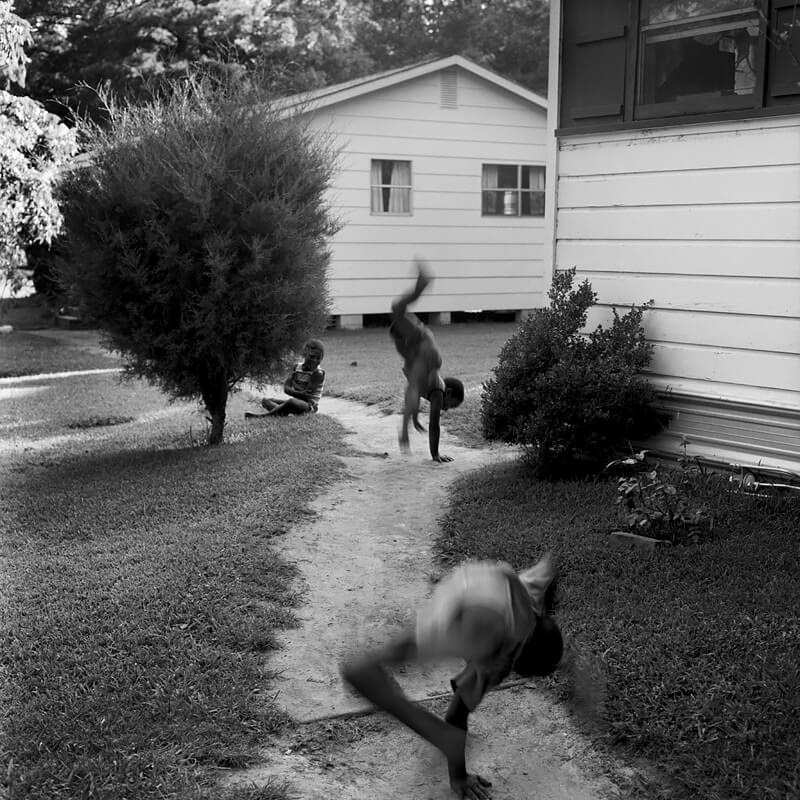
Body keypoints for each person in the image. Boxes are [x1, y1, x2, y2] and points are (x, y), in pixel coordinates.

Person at [340, 554, 563, 800]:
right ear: (519, 665)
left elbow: (547, 572)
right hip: (481, 618)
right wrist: (458, 775)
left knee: (404, 647)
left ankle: (371, 667)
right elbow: (457, 714)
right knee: (371, 669)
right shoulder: (498, 661)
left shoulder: (529, 598)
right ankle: (363, 674)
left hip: (478, 579)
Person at [390, 259, 464, 462]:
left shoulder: (428, 386)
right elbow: (434, 424)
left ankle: (421, 284)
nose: (445, 409)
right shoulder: (438, 392)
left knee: (397, 307)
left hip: (413, 348)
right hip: (426, 349)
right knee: (413, 386)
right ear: (448, 393)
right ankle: (421, 285)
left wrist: (412, 418)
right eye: (450, 405)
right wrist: (435, 454)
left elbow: (412, 396)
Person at [245, 339, 326, 418]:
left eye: (318, 358)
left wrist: (294, 387)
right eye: (312, 356)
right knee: (266, 401)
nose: (314, 360)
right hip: (296, 403)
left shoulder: (318, 373)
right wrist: (299, 391)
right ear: (304, 353)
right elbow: (286, 389)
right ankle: (284, 413)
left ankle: (263, 416)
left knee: (291, 402)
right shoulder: (296, 367)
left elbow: (306, 397)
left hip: (309, 406)